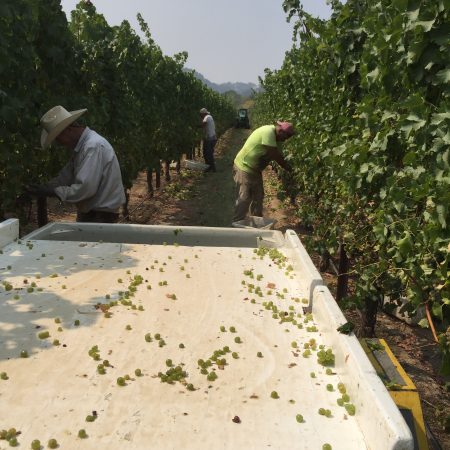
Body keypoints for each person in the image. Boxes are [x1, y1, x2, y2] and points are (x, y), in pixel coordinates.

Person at [27, 105, 126, 223]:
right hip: (92, 214)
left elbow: (85, 188)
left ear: (68, 130)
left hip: (100, 216)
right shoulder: (82, 147)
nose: (60, 144)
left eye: (58, 139)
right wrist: (44, 187)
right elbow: (66, 175)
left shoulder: (92, 146)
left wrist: (53, 191)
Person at [233, 121, 294, 222]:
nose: (286, 139)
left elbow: (280, 155)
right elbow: (275, 155)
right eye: (286, 136)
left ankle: (256, 222)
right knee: (244, 197)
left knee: (258, 197)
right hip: (243, 167)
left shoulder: (277, 140)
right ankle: (237, 223)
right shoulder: (268, 131)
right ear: (280, 131)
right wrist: (289, 168)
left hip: (255, 170)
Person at [199, 107, 217, 172]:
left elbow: (204, 124)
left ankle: (212, 168)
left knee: (208, 153)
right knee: (207, 153)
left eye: (201, 114)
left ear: (203, 114)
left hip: (210, 138)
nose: (200, 116)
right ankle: (209, 167)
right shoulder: (210, 117)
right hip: (212, 138)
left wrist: (196, 126)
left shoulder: (207, 117)